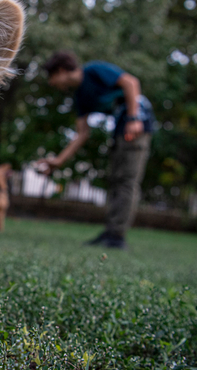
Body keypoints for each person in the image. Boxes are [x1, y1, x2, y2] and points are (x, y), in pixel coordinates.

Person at [38, 51, 155, 249]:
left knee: (127, 180)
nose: (52, 83)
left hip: (136, 123)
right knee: (117, 179)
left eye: (52, 77)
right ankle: (111, 232)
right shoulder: (81, 96)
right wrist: (58, 161)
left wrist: (134, 119)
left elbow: (131, 83)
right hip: (120, 125)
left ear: (61, 71)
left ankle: (117, 236)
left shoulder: (94, 70)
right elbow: (82, 134)